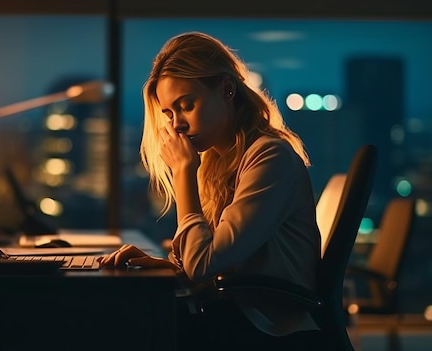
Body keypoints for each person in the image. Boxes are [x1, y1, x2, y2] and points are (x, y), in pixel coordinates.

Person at [98, 31, 323, 349]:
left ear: (227, 89)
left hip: (268, 329)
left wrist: (183, 171)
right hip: (236, 313)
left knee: (122, 323)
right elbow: (216, 259)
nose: (176, 124)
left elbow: (204, 264)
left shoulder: (270, 156)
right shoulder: (218, 161)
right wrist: (168, 266)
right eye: (169, 113)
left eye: (186, 105)